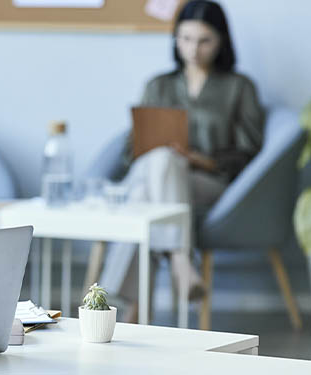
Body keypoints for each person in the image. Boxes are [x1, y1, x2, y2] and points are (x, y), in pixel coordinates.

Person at [99, 0, 265, 319]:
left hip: (209, 183)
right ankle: (180, 261)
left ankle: (124, 309)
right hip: (157, 176)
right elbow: (131, 151)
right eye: (185, 39)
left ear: (221, 41)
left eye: (205, 41)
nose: (193, 50)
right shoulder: (158, 85)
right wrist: (162, 153)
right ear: (175, 38)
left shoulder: (239, 87)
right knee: (159, 165)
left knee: (143, 195)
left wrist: (203, 160)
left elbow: (249, 151)